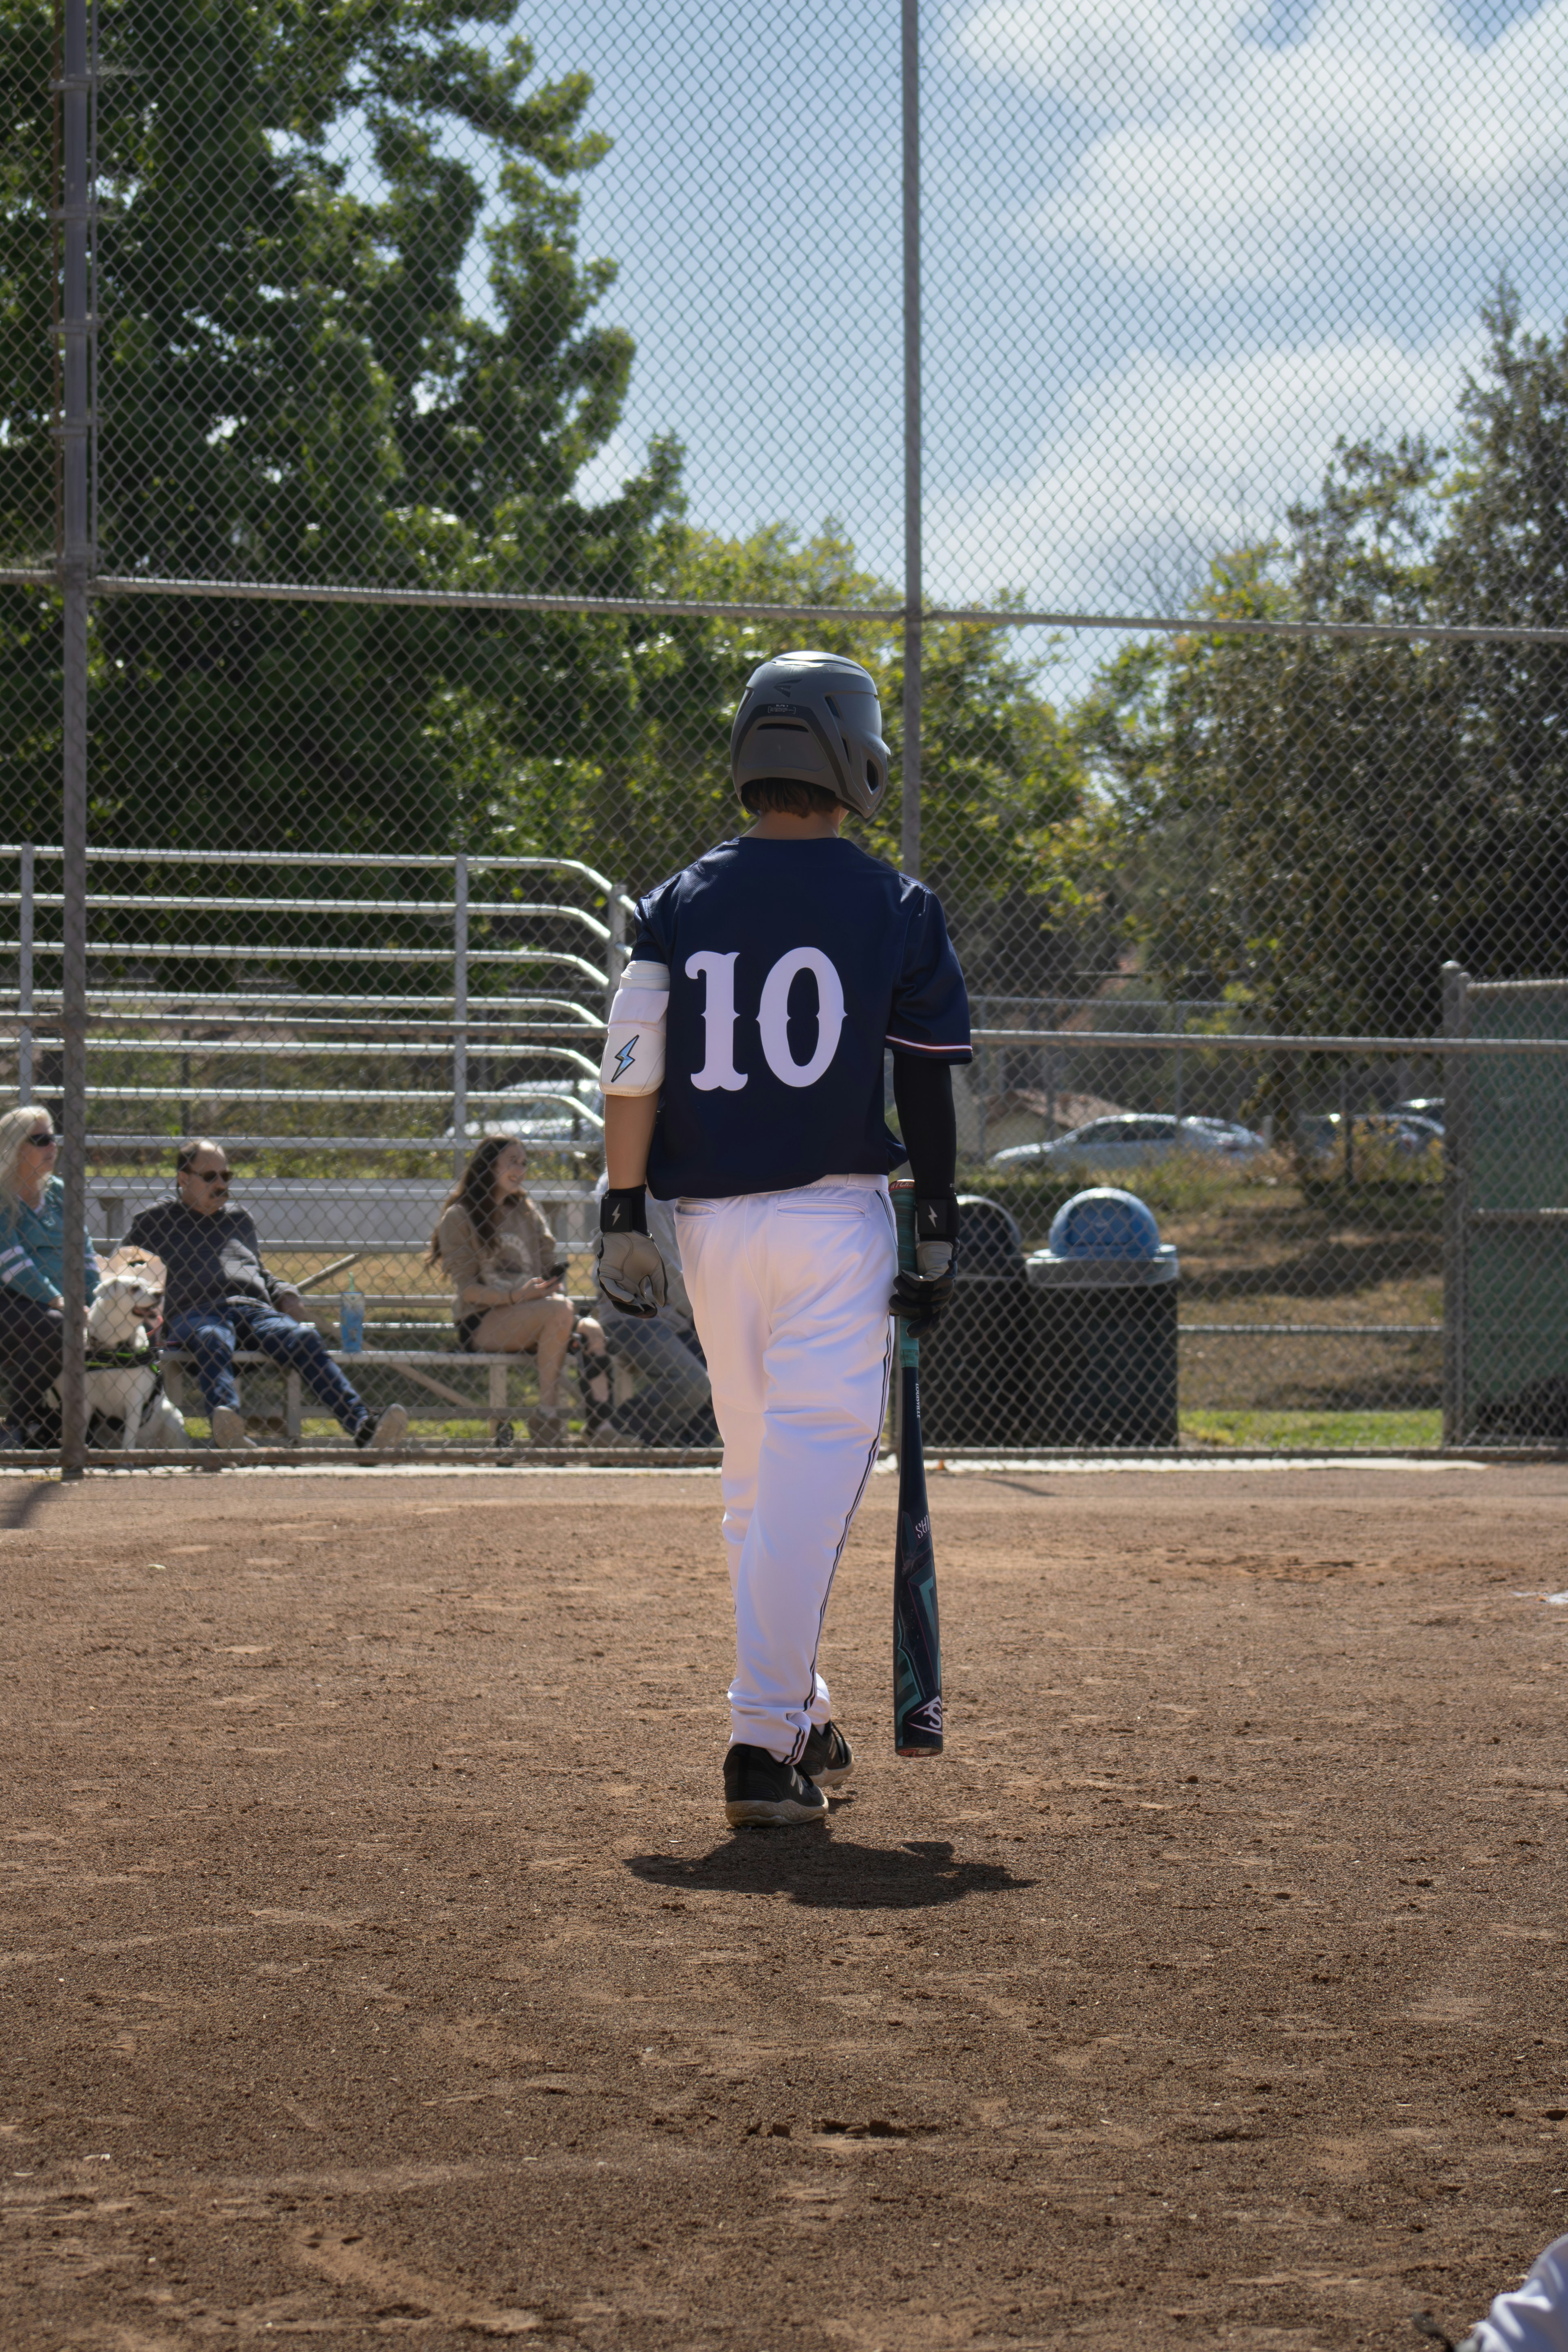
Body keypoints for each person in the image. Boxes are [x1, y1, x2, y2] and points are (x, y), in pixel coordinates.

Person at [592, 648, 969, 1827]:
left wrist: (617, 1205)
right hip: (830, 1220)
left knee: (757, 1477)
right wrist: (942, 1224)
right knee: (807, 1469)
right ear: (848, 755)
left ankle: (799, 1706)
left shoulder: (674, 899)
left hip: (705, 1228)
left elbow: (630, 1066)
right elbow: (929, 1093)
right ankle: (760, 1735)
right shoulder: (895, 905)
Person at [123, 1139, 408, 1452]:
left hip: (254, 1310)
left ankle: (363, 1427)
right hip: (196, 1312)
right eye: (210, 1177)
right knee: (212, 1337)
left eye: (226, 1176)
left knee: (304, 1339)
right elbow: (121, 1271)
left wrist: (284, 1292)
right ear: (183, 1179)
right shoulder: (155, 1221)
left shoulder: (238, 1218)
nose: (221, 1185)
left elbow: (257, 1270)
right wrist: (149, 1317)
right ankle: (228, 1425)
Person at [430, 1133, 614, 1446]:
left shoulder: (526, 1210)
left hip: (537, 1316)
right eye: (512, 1162)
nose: (521, 1169)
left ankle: (600, 1428)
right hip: (483, 1320)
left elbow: (545, 1264)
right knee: (558, 1311)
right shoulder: (459, 1216)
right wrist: (517, 1297)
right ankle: (547, 1415)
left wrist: (548, 1286)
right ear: (488, 1166)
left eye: (524, 1162)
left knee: (593, 1331)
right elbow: (468, 1292)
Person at [0, 1103, 100, 1447]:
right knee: (55, 1326)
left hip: (62, 1303)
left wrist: (96, 1303)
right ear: (15, 1147)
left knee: (127, 1322)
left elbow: (85, 1256)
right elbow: (12, 1266)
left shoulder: (59, 1192)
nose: (52, 1147)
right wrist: (62, 1301)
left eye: (53, 1138)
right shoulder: (1, 1196)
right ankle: (13, 1427)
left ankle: (94, 1429)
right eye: (40, 1140)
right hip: (10, 1299)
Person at [591, 1174, 715, 1445]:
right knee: (692, 1383)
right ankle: (618, 1430)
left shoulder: (677, 1188)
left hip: (679, 1317)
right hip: (636, 1318)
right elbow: (667, 1269)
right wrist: (705, 1309)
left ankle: (679, 1448)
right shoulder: (632, 1191)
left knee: (730, 1379)